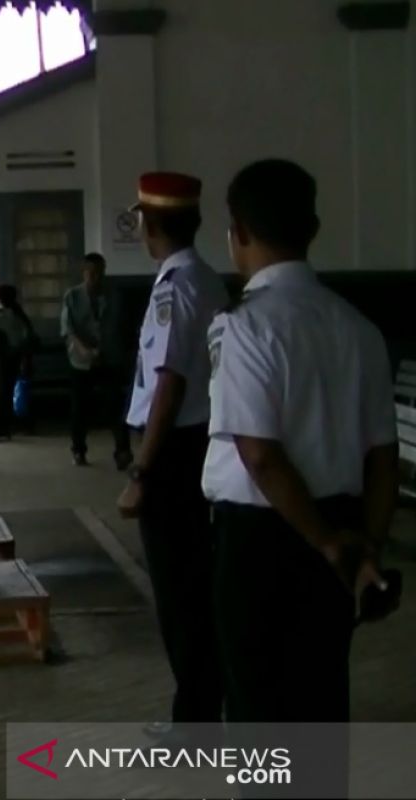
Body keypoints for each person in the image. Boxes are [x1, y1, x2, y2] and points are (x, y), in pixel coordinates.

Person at [204, 161, 397, 747]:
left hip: (262, 540)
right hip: (342, 530)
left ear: (236, 232)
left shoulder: (247, 327)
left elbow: (259, 456)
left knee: (259, 707)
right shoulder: (358, 327)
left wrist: (321, 538)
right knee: (319, 702)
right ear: (312, 228)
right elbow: (383, 457)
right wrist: (363, 546)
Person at [117, 172, 228, 737]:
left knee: (179, 594)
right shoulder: (206, 280)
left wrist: (142, 469)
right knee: (194, 588)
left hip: (172, 455)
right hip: (196, 446)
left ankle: (195, 724)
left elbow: (169, 383)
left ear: (150, 224)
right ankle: (202, 709)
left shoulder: (173, 288)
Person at [61, 253, 133, 468]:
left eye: (99, 273)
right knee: (80, 408)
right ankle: (78, 449)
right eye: (90, 273)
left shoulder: (114, 295)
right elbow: (68, 330)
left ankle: (122, 451)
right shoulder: (72, 296)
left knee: (115, 405)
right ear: (83, 272)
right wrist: (86, 350)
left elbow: (121, 327)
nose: (95, 277)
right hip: (81, 360)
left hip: (110, 357)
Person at [0, 284, 38, 437]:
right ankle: (6, 426)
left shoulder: (2, 316)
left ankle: (1, 427)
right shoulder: (18, 315)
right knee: (7, 394)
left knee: (0, 395)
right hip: (13, 359)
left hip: (3, 359)